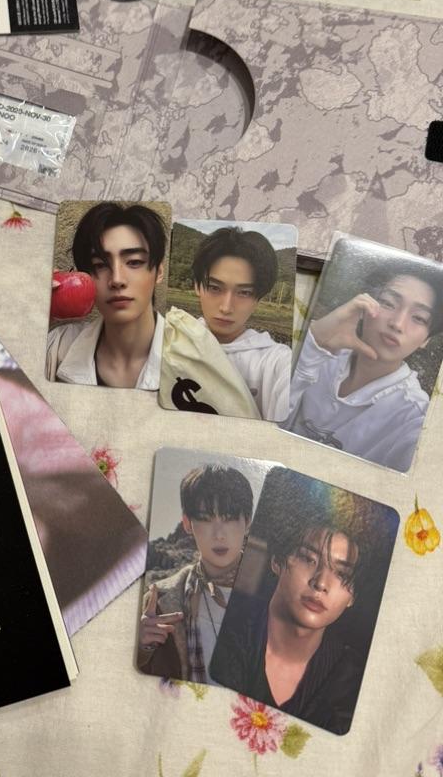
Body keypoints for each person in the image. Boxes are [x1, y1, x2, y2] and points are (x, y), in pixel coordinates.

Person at [209, 474, 391, 735]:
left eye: (341, 574)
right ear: (277, 561)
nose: (321, 583)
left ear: (352, 596)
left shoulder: (353, 681)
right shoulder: (222, 628)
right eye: (308, 559)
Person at [284, 261, 443, 472]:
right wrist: (314, 342)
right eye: (388, 303)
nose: (397, 324)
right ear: (364, 306)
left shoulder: (416, 419)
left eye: (419, 318)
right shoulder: (318, 354)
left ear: (426, 340)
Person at [137, 464, 253, 683]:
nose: (219, 535)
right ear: (188, 524)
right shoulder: (160, 601)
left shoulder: (273, 593)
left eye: (229, 518)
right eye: (206, 519)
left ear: (247, 521)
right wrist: (141, 648)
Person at [45, 202, 167, 389]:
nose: (117, 280)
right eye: (100, 265)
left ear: (159, 272)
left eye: (134, 262)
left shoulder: (193, 358)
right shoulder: (56, 347)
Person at [184, 226, 292, 420]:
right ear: (197, 286)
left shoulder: (275, 361)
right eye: (214, 287)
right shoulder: (174, 339)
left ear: (258, 298)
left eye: (244, 292)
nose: (226, 307)